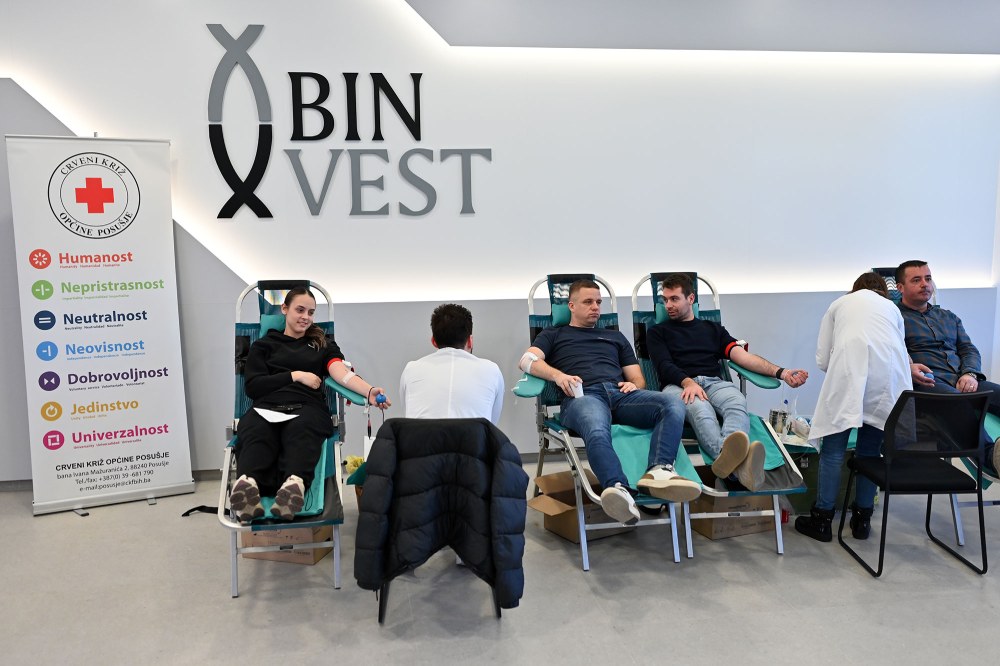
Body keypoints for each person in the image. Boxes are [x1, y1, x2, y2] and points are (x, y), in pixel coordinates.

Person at [519, 279, 699, 526]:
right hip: (583, 396)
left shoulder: (614, 336)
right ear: (571, 306)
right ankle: (617, 488)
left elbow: (637, 377)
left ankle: (660, 470)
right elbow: (526, 361)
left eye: (598, 302)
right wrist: (558, 376)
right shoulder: (553, 334)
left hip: (621, 394)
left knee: (672, 403)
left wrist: (635, 385)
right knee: (596, 428)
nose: (595, 307)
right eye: (588, 302)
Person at [230, 286, 390, 523]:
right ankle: (248, 488)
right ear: (284, 309)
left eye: (311, 312)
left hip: (307, 407)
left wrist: (368, 391)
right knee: (256, 431)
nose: (306, 317)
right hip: (266, 407)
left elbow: (341, 373)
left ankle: (293, 487)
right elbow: (253, 387)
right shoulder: (263, 345)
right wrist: (296, 375)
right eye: (300, 310)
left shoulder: (320, 344)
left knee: (302, 431)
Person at [646, 273, 808, 491]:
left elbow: (743, 357)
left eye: (674, 299)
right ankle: (736, 466)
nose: (668, 305)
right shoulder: (657, 332)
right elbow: (663, 365)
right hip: (678, 385)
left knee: (737, 402)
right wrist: (688, 382)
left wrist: (782, 372)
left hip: (714, 383)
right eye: (665, 300)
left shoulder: (713, 329)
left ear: (691, 299)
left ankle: (729, 463)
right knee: (702, 410)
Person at [794, 272, 911, 542]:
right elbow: (901, 350)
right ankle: (862, 521)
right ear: (885, 292)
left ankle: (822, 520)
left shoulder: (839, 304)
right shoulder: (893, 309)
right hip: (889, 385)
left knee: (833, 451)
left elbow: (823, 360)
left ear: (854, 289)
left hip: (849, 377)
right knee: (870, 452)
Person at [895, 259, 1000, 473]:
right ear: (900, 287)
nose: (925, 284)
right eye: (916, 280)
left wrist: (970, 374)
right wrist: (908, 367)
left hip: (962, 378)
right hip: (926, 383)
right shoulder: (893, 319)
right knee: (955, 401)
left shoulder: (948, 316)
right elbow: (890, 354)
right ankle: (991, 458)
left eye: (928, 278)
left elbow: (968, 349)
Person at [400, 303, 504, 424]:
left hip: (420, 437)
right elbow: (490, 425)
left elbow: (409, 417)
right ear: (470, 341)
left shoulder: (411, 369)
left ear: (433, 341)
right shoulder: (492, 370)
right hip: (473, 437)